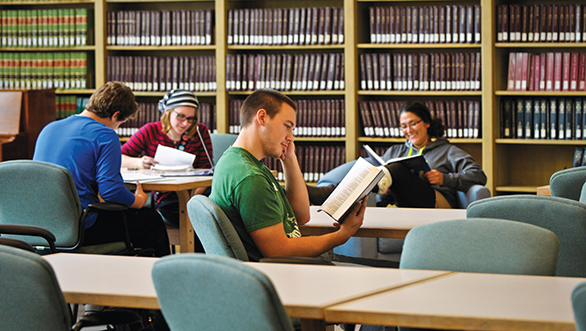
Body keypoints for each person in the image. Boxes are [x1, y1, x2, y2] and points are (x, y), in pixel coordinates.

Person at [209, 89, 394, 267]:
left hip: (295, 264)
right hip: (289, 271)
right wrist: (343, 235)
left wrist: (289, 159)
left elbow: (300, 216)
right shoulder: (250, 177)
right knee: (391, 271)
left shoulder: (238, 162)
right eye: (287, 126)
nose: (291, 137)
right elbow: (279, 252)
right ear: (262, 117)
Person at [33, 81, 170, 257]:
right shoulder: (105, 134)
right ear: (115, 115)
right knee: (151, 221)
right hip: (79, 226)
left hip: (40, 225)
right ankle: (160, 282)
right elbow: (111, 192)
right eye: (122, 122)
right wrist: (138, 200)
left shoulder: (49, 128)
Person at [309, 102, 487, 209]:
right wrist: (383, 189)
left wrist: (445, 179)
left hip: (435, 202)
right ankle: (326, 192)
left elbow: (479, 176)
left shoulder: (447, 151)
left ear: (426, 123)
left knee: (394, 169)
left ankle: (326, 193)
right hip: (396, 201)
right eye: (403, 126)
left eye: (413, 123)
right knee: (372, 168)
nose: (408, 130)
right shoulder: (395, 150)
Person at [120, 89, 214, 229]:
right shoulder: (150, 131)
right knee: (192, 218)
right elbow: (118, 158)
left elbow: (207, 169)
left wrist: (194, 198)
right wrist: (139, 162)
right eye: (181, 116)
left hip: (197, 193)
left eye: (191, 118)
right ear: (168, 112)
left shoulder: (200, 131)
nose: (186, 123)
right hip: (168, 197)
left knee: (208, 212)